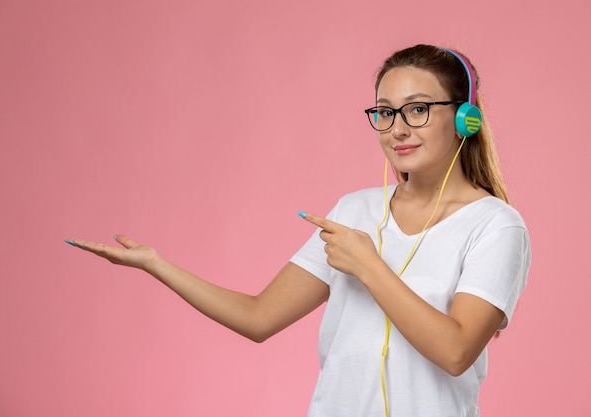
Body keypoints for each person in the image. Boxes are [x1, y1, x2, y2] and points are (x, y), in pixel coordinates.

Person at [66, 44, 531, 417]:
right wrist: (155, 264)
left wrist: (369, 266)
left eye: (418, 109)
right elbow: (258, 317)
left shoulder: (495, 224)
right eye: (385, 112)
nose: (397, 129)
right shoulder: (354, 210)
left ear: (465, 117)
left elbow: (455, 351)